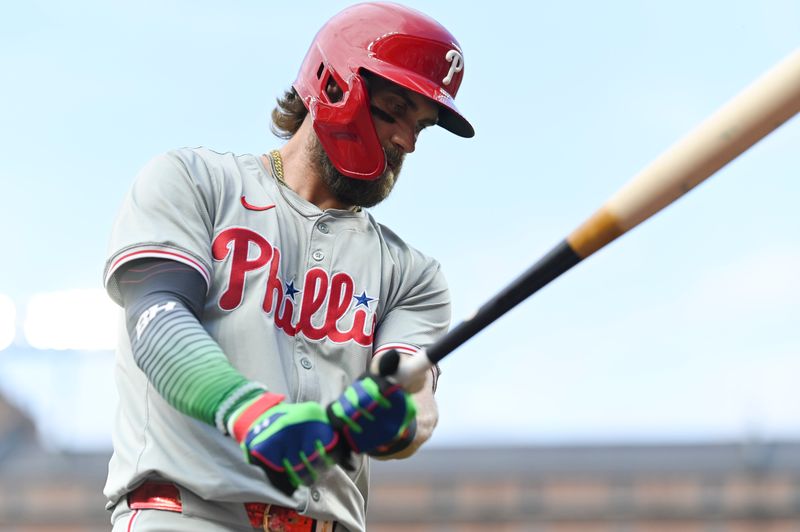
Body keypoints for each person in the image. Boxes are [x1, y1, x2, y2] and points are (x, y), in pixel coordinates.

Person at [103, 3, 474, 531]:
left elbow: (415, 395)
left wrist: (398, 417)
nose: (407, 142)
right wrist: (251, 413)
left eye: (421, 127)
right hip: (191, 514)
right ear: (333, 85)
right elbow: (158, 321)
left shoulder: (412, 275)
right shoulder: (195, 182)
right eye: (394, 109)